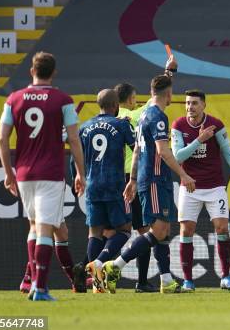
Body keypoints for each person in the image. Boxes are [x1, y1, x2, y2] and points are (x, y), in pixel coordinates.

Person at [0, 51, 85, 301]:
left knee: (34, 227)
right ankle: (40, 288)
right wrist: (80, 172)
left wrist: (8, 174)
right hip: (51, 173)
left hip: (24, 174)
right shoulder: (62, 100)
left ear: (31, 71)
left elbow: (2, 139)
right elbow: (74, 139)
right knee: (45, 229)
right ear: (53, 72)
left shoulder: (13, 99)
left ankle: (34, 282)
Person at [103, 68, 195, 294]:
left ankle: (165, 280)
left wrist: (133, 180)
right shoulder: (157, 117)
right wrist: (183, 175)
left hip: (146, 178)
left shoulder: (144, 115)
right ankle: (114, 266)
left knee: (162, 229)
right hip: (155, 179)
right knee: (159, 230)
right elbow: (163, 151)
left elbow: (135, 152)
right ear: (169, 94)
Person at [171, 90, 230, 291]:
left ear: (204, 105)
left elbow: (227, 152)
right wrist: (199, 140)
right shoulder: (178, 125)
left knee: (222, 228)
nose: (190, 107)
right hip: (190, 187)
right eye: (188, 103)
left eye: (194, 103)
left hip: (215, 187)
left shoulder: (216, 124)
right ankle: (188, 281)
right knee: (187, 230)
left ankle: (225, 277)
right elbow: (178, 157)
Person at [80, 89, 136, 293]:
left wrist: (76, 177)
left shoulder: (84, 127)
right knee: (124, 230)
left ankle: (97, 284)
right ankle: (101, 261)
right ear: (116, 106)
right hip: (114, 185)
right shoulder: (121, 125)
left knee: (95, 232)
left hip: (92, 184)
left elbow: (75, 157)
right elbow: (136, 148)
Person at [115, 82, 156, 292]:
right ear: (131, 99)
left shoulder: (109, 118)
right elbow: (156, 98)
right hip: (135, 177)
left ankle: (96, 280)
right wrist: (169, 73)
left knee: (107, 231)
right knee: (144, 231)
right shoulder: (139, 113)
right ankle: (141, 281)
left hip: (113, 179)